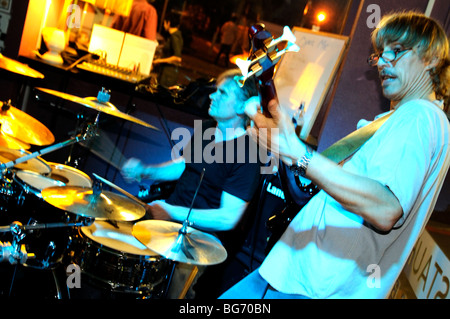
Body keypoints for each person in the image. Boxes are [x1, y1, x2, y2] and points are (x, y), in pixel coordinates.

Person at [220, 11, 450, 299]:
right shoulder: (405, 118)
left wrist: (300, 156)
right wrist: (280, 140)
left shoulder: (418, 116)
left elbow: (386, 207)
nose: (383, 62)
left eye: (397, 51)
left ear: (431, 58)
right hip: (300, 275)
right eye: (380, 54)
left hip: (315, 287)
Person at [121, 69, 263, 297]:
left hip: (199, 240)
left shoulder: (247, 154)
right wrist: (146, 171)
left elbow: (228, 218)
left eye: (222, 93)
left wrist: (172, 212)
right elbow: (183, 165)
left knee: (173, 290)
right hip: (170, 221)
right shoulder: (207, 129)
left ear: (241, 107)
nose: (212, 96)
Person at [152, 13, 183, 88]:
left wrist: (159, 61)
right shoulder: (174, 36)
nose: (163, 25)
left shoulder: (175, 37)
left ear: (168, 23)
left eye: (164, 23)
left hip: (168, 74)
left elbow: (177, 58)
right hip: (165, 72)